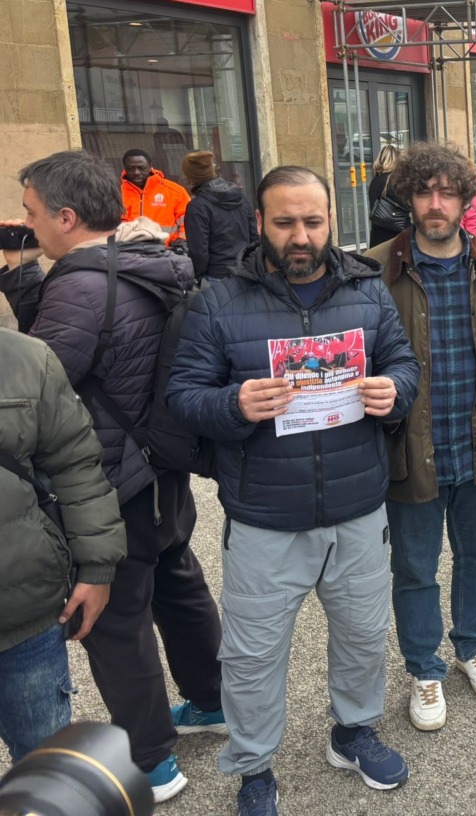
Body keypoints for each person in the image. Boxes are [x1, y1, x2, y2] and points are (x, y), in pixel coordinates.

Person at [166, 166, 420, 816]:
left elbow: (404, 364)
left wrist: (394, 392)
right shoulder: (218, 301)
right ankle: (253, 767)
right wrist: (234, 403)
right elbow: (182, 397)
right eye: (285, 222)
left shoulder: (368, 290)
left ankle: (353, 732)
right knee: (251, 656)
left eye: (312, 221)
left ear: (332, 220)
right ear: (260, 223)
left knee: (363, 635)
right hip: (264, 516)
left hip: (357, 508)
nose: (300, 236)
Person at [0, 151, 224, 802]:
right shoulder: (149, 262)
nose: (26, 224)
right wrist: (27, 276)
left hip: (111, 481)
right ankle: (213, 701)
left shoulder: (78, 287)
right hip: (161, 466)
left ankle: (151, 761)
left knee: (114, 620)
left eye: (32, 213)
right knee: (177, 585)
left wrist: (21, 279)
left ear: (67, 217)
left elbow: (40, 385)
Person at [366, 143, 476, 735]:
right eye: (424, 192)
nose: (435, 204)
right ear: (408, 198)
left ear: (466, 200)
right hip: (410, 446)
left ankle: (472, 644)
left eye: (447, 192)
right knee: (414, 566)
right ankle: (423, 667)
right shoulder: (375, 268)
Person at [0, 328, 125, 765]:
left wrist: (97, 568)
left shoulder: (27, 359)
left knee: (46, 764)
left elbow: (76, 465)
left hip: (25, 615)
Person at [182, 150, 258, 280]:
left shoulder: (197, 207)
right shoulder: (240, 197)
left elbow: (199, 252)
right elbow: (255, 237)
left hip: (216, 275)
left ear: (189, 178)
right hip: (245, 271)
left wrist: (197, 276)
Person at [120, 149, 189, 248]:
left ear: (149, 167)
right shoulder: (116, 194)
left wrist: (181, 240)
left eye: (141, 168)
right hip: (127, 252)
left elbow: (188, 221)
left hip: (167, 250)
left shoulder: (175, 192)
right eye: (130, 168)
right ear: (125, 168)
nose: (136, 172)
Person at [367, 145, 406, 248]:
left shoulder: (375, 180)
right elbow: (406, 204)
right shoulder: (392, 180)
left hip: (377, 234)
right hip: (394, 234)